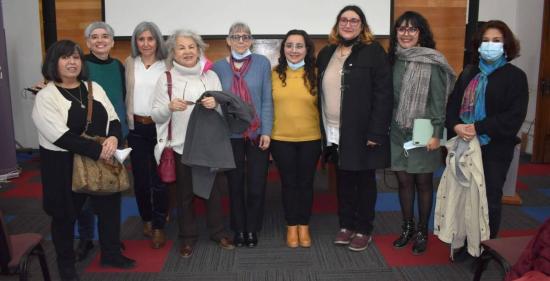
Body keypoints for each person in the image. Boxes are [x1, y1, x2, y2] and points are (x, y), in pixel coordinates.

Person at [31, 40, 135, 281]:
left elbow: (114, 119)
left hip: (101, 161)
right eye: (65, 57)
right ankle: (66, 267)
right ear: (53, 62)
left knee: (110, 208)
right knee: (65, 216)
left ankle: (111, 253)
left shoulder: (94, 87)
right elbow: (60, 136)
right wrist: (100, 150)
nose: (72, 62)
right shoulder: (46, 96)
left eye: (76, 57)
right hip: (63, 165)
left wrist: (112, 138)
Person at [151, 29, 235, 258]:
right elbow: (155, 115)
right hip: (180, 146)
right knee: (185, 195)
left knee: (214, 192)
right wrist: (168, 108)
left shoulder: (211, 76)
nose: (187, 51)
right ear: (173, 53)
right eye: (181, 47)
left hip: (208, 145)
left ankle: (218, 233)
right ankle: (187, 238)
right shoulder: (165, 78)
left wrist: (215, 104)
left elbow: (223, 109)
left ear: (199, 49)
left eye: (192, 46)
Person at [317, 5, 393, 252]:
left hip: (362, 131)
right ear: (337, 24)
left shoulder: (373, 52)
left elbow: (384, 95)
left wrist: (376, 132)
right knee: (344, 179)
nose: (348, 24)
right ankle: (346, 225)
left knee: (364, 180)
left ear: (362, 26)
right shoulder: (327, 52)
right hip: (333, 130)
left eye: (354, 21)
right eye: (344, 20)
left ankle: (363, 228)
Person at [446, 20, 528, 239]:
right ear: (478, 45)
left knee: (488, 200)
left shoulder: (516, 77)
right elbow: (452, 105)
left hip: (495, 150)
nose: (490, 44)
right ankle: (463, 243)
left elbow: (513, 118)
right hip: (464, 146)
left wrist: (477, 127)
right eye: (486, 40)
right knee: (463, 197)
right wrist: (456, 125)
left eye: (496, 41)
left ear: (506, 45)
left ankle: (485, 248)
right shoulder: (468, 72)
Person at [388, 11, 456, 255]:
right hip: (397, 129)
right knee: (403, 181)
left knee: (423, 183)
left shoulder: (432, 60)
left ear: (420, 34)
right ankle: (406, 228)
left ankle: (421, 232)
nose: (406, 34)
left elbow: (439, 101)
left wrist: (437, 134)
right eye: (402, 29)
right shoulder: (393, 59)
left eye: (412, 29)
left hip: (425, 131)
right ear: (396, 32)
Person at [71, 21, 129, 261]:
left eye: (105, 36)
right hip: (89, 139)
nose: (100, 40)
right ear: (87, 43)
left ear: (113, 42)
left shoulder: (118, 66)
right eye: (94, 37)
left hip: (117, 135)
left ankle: (111, 241)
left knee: (112, 190)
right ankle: (86, 239)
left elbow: (122, 97)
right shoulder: (80, 65)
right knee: (85, 191)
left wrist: (118, 133)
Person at [212, 22, 273, 248]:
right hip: (230, 135)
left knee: (257, 184)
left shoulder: (262, 63)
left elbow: (267, 99)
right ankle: (238, 228)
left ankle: (252, 228)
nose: (240, 41)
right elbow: (216, 101)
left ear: (251, 40)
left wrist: (266, 130)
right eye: (235, 37)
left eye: (245, 36)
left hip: (257, 133)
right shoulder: (218, 67)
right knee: (235, 185)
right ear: (228, 40)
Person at [270, 29, 320, 248]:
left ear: (307, 49)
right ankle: (291, 226)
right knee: (289, 184)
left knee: (306, 184)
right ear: (283, 49)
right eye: (289, 45)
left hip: (311, 138)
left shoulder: (317, 73)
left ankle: (304, 225)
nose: (294, 50)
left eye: (299, 46)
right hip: (281, 139)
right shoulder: (272, 73)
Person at [124, 21, 169, 249]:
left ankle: (159, 225)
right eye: (141, 39)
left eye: (150, 39)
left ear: (158, 41)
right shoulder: (129, 63)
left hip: (161, 128)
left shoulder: (168, 63)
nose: (146, 43)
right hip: (137, 129)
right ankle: (147, 219)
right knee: (141, 180)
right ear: (135, 42)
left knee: (160, 179)